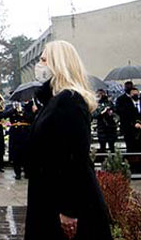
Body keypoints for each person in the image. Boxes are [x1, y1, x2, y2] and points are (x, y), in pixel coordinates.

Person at [25, 40, 112, 240]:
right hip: (49, 195)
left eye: (44, 59)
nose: (39, 65)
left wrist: (68, 208)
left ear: (59, 63)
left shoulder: (68, 101)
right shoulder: (54, 101)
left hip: (62, 202)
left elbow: (74, 158)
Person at [3, 100, 34, 179]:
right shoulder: (10, 106)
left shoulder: (29, 106)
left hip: (25, 131)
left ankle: (27, 172)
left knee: (26, 152)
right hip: (15, 132)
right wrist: (14, 109)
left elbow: (31, 118)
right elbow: (4, 115)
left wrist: (24, 110)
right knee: (16, 152)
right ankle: (17, 172)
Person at [116, 86, 141, 153]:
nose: (135, 95)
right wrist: (134, 123)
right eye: (133, 94)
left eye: (137, 94)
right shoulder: (126, 105)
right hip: (132, 133)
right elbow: (125, 118)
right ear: (130, 95)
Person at [93, 89, 118, 154]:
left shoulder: (109, 103)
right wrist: (102, 112)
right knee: (102, 144)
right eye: (99, 94)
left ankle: (113, 158)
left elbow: (115, 111)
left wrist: (111, 112)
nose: (101, 95)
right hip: (101, 126)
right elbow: (94, 115)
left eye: (102, 94)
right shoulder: (96, 104)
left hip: (111, 126)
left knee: (111, 144)